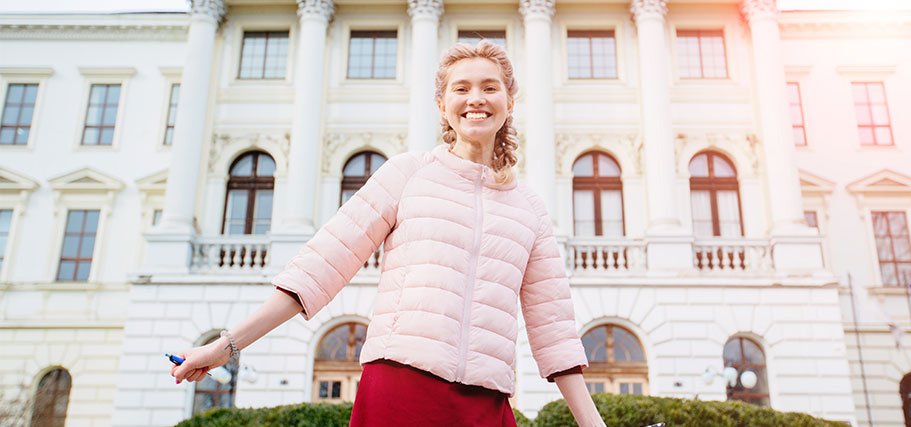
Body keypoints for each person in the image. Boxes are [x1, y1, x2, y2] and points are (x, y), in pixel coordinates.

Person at [171, 40, 606, 427]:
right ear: (442, 105)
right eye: (461, 88)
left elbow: (555, 331)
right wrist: (225, 346)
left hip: (485, 403)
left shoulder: (529, 208)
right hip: (399, 389)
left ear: (509, 101)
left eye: (489, 87)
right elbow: (320, 266)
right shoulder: (407, 173)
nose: (476, 98)